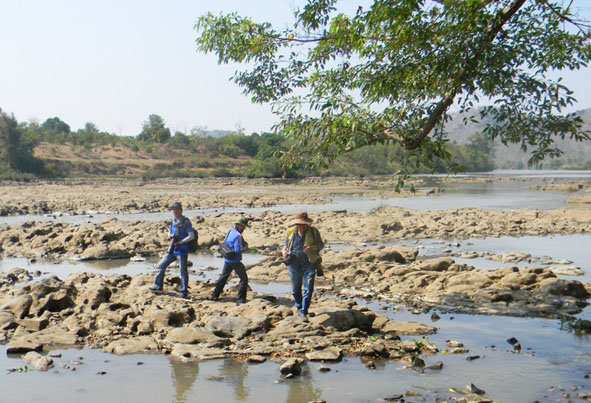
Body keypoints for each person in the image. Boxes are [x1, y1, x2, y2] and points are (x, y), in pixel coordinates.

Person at [282, 210, 324, 321]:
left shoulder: (314, 231)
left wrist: (313, 248)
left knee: (308, 289)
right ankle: (299, 307)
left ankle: (303, 311)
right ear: (296, 224)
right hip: (293, 264)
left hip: (309, 263)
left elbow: (320, 244)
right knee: (295, 290)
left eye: (304, 224)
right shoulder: (291, 231)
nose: (303, 226)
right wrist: (284, 252)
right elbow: (285, 245)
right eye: (300, 224)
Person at [150, 202, 195, 298]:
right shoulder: (173, 221)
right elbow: (170, 232)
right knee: (161, 265)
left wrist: (181, 242)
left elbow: (191, 236)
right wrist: (170, 235)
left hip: (182, 250)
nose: (174, 211)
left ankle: (183, 291)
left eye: (176, 209)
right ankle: (158, 286)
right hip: (172, 249)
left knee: (183, 271)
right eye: (172, 210)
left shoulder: (186, 222)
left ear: (180, 210)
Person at [210, 217, 250, 305]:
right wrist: (245, 247)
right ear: (240, 225)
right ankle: (241, 300)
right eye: (243, 227)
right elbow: (237, 250)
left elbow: (226, 243)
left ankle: (214, 296)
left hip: (227, 258)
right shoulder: (238, 236)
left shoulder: (230, 231)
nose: (244, 229)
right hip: (234, 260)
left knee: (223, 277)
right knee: (244, 279)